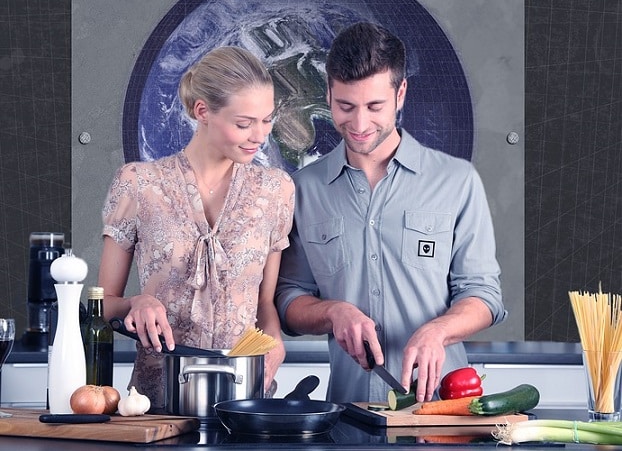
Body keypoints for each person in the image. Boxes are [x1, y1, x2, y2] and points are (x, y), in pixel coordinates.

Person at [275, 22, 506, 404]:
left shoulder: (457, 181)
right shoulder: (302, 190)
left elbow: (483, 294)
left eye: (375, 106)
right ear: (328, 94)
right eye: (345, 106)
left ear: (401, 94)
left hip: (444, 417)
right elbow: (288, 298)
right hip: (348, 416)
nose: (360, 124)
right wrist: (333, 312)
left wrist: (440, 330)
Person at [98, 46, 295, 409]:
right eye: (244, 123)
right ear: (202, 111)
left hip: (245, 400)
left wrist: (275, 339)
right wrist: (136, 302)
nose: (260, 135)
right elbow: (102, 306)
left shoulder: (276, 190)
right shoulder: (139, 184)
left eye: (267, 119)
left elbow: (264, 302)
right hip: (156, 402)